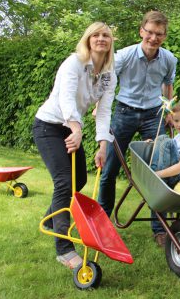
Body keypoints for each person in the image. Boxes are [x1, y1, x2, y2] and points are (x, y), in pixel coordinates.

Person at [32, 22, 117, 269]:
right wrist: (77, 129)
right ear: (88, 39)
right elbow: (65, 97)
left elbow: (104, 111)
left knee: (78, 180)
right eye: (96, 35)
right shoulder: (74, 63)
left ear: (111, 42)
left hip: (73, 127)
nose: (101, 39)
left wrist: (103, 145)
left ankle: (51, 218)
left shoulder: (110, 74)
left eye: (106, 35)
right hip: (49, 126)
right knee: (64, 182)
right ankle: (64, 249)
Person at [97, 10, 177, 237]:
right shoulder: (123, 55)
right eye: (149, 32)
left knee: (158, 170)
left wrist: (168, 110)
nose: (153, 38)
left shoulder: (169, 59)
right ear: (141, 31)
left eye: (159, 34)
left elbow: (168, 85)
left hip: (154, 115)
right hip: (124, 112)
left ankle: (159, 229)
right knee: (110, 168)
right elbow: (108, 82)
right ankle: (102, 222)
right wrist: (99, 104)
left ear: (164, 36)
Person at [147, 101, 180, 245]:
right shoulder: (178, 137)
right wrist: (154, 144)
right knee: (163, 140)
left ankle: (154, 180)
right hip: (172, 176)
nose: (179, 124)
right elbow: (166, 155)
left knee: (165, 140)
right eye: (176, 121)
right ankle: (156, 182)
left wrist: (157, 174)